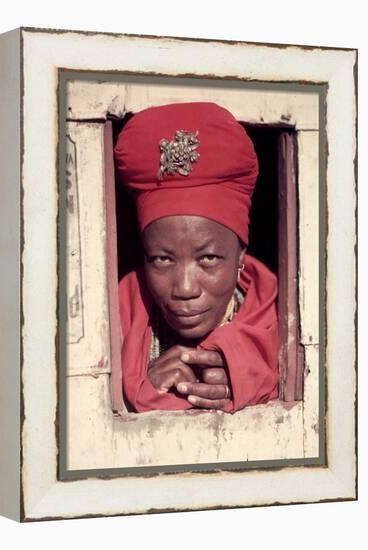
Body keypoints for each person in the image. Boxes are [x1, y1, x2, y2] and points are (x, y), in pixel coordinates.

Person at [114, 102, 279, 413]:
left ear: (241, 255)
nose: (185, 288)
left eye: (209, 259)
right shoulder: (113, 320)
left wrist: (246, 374)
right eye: (161, 260)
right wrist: (146, 385)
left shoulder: (283, 322)